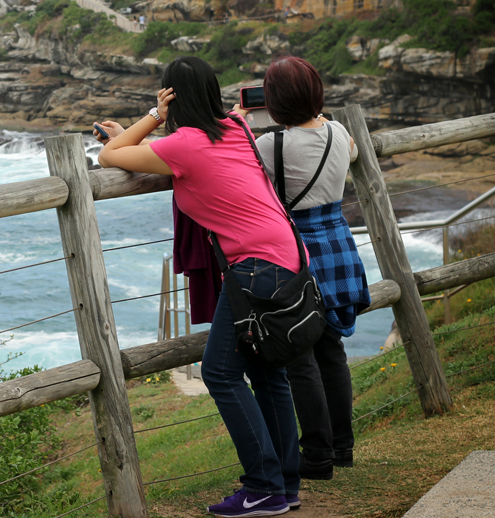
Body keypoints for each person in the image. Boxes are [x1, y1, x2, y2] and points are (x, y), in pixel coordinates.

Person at [96, 56, 302, 517]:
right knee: (266, 371)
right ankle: (284, 486)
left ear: (172, 97)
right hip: (287, 253)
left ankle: (264, 488)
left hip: (254, 265)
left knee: (220, 373)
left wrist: (152, 117)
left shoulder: (182, 145)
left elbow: (110, 157)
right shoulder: (236, 128)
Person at [235, 56, 371, 481]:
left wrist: (240, 124)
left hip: (298, 251)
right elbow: (349, 153)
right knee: (332, 349)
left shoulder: (271, 145)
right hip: (338, 243)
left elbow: (249, 179)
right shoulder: (339, 131)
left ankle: (316, 455)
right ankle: (342, 447)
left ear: (273, 102)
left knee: (300, 354)